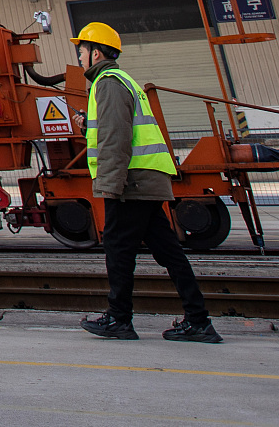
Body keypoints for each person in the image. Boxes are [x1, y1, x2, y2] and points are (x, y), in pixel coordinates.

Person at [72, 22, 223, 343]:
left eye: (81, 50)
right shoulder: (123, 80)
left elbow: (116, 138)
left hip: (131, 182)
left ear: (95, 52)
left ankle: (119, 318)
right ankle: (198, 321)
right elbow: (114, 128)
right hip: (146, 178)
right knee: (168, 251)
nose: (79, 56)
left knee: (118, 248)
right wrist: (89, 125)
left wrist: (110, 187)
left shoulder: (107, 83)